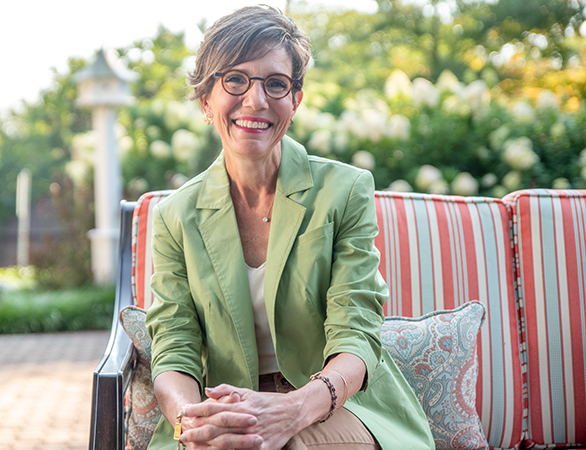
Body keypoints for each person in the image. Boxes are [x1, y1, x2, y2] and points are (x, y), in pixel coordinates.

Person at [145, 6, 434, 450]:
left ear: (295, 100)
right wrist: (192, 423)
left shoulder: (345, 190)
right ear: (206, 99)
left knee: (287, 445)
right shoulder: (174, 217)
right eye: (235, 79)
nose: (256, 100)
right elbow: (174, 347)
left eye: (275, 83)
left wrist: (293, 409)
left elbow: (355, 332)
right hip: (225, 408)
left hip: (336, 404)